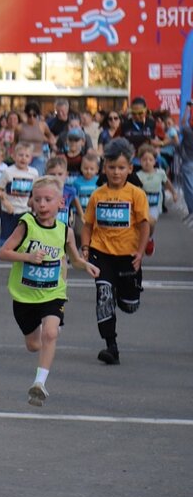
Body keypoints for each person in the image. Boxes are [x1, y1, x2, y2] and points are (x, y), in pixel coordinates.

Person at [0, 177, 99, 406]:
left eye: (48, 199)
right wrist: (27, 256)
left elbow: (74, 259)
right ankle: (45, 333)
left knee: (51, 333)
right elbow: (4, 252)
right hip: (24, 295)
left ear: (61, 203)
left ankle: (39, 384)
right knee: (34, 345)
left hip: (53, 293)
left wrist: (87, 265)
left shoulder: (65, 231)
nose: (42, 204)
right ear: (31, 203)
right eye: (38, 200)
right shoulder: (26, 224)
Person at [81, 139, 149, 366]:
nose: (116, 172)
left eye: (121, 168)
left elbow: (143, 225)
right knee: (104, 295)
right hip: (101, 253)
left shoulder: (136, 194)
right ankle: (111, 345)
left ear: (130, 168)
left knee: (130, 304)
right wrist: (85, 248)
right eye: (111, 167)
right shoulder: (97, 195)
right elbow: (88, 224)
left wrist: (140, 253)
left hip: (128, 255)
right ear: (104, 168)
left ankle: (125, 293)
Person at [0, 143, 40, 246]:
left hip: (25, 210)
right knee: (7, 239)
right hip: (9, 211)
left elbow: (36, 191)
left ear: (31, 159)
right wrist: (5, 201)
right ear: (14, 156)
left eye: (27, 156)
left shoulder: (34, 173)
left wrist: (34, 204)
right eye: (20, 155)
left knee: (24, 237)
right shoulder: (8, 172)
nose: (23, 158)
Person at [136, 144, 174, 255]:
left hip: (155, 205)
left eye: (150, 159)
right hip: (142, 205)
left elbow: (167, 183)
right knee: (142, 225)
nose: (147, 162)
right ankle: (142, 243)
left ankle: (149, 238)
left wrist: (174, 193)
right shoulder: (138, 175)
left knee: (150, 223)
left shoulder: (160, 173)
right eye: (144, 160)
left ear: (154, 161)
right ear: (140, 161)